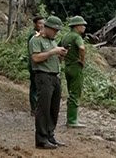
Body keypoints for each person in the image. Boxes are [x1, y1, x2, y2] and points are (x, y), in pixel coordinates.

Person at [29, 15, 67, 149]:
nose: (56, 33)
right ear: (47, 27)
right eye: (54, 30)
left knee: (54, 108)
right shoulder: (36, 40)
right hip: (43, 76)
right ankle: (41, 139)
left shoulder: (52, 41)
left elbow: (54, 57)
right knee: (43, 108)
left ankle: (50, 135)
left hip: (55, 76)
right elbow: (36, 58)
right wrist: (53, 52)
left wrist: (60, 55)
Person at [60, 15, 88, 128]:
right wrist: (82, 60)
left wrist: (62, 59)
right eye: (82, 25)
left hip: (67, 67)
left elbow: (59, 48)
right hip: (76, 67)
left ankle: (70, 118)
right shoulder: (77, 36)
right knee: (75, 93)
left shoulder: (65, 36)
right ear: (76, 26)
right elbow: (82, 48)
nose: (84, 27)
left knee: (71, 92)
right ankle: (72, 120)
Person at [27, 16, 45, 116]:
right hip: (34, 64)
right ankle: (34, 108)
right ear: (35, 24)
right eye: (39, 23)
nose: (42, 25)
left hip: (41, 64)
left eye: (43, 23)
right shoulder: (33, 36)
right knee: (34, 86)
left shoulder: (42, 35)